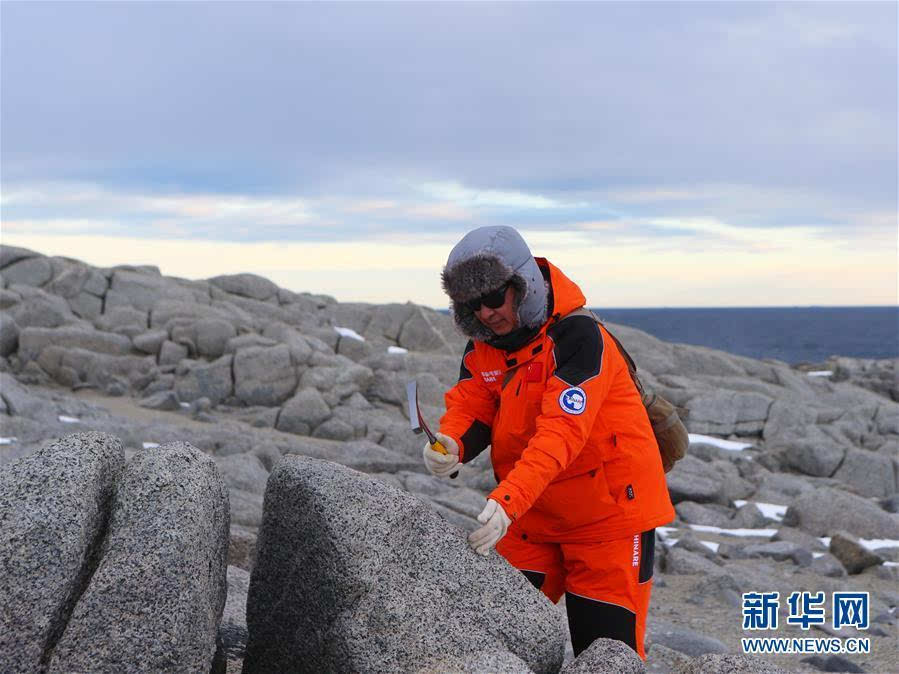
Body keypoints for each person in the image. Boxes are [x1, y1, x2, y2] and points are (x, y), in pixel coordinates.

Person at [422, 225, 674, 659]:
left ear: (524, 285)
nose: (484, 313)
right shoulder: (484, 344)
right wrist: (452, 444)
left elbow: (562, 432)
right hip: (534, 515)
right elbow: (473, 403)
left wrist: (508, 500)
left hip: (608, 517)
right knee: (491, 633)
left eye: (493, 297)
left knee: (604, 657)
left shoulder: (578, 339)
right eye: (471, 304)